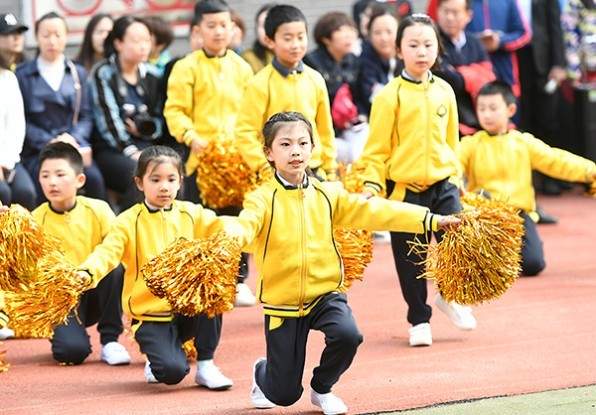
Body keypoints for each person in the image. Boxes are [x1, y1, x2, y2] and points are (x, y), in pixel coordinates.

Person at [229, 112, 460, 414]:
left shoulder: (328, 194)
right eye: (285, 144)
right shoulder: (261, 199)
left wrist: (431, 220)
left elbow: (376, 211)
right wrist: (228, 238)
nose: (295, 151)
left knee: (348, 335)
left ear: (313, 148)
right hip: (281, 302)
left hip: (326, 293)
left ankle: (322, 387)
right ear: (269, 153)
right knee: (283, 395)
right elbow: (244, 226)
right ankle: (264, 372)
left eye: (302, 143)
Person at [358, 14, 477, 348]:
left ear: (437, 49)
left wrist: (457, 176)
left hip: (444, 184)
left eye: (428, 44)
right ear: (399, 50)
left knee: (458, 244)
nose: (421, 51)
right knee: (411, 259)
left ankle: (451, 296)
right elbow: (376, 149)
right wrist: (370, 185)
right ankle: (419, 318)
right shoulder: (388, 96)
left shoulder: (445, 91)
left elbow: (451, 141)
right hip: (405, 190)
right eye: (413, 44)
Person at [77, 145, 233, 388]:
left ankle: (206, 364)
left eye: (171, 179)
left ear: (180, 181)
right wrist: (86, 272)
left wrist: (262, 229)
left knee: (211, 285)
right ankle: (157, 354)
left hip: (185, 308)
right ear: (140, 183)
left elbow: (226, 227)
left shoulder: (191, 213)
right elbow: (107, 252)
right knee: (172, 372)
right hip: (150, 315)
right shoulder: (128, 221)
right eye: (155, 179)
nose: (164, 187)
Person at [164, 0, 255, 307]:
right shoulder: (186, 67)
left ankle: (239, 280)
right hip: (199, 160)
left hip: (236, 161)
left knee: (237, 220)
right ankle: (203, 281)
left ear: (233, 28)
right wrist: (191, 136)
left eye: (224, 25)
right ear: (197, 30)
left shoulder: (242, 68)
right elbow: (174, 111)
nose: (218, 32)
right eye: (211, 26)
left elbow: (251, 113)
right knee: (202, 221)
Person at [458, 81, 596, 276]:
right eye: (481, 109)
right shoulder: (470, 144)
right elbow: (452, 166)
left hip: (518, 214)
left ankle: (505, 252)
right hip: (483, 215)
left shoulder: (523, 142)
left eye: (493, 108)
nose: (486, 114)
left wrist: (590, 170)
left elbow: (555, 160)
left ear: (511, 109)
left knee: (533, 264)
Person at [32, 142, 130, 365]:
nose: (52, 182)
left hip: (95, 289)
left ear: (80, 180)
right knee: (71, 353)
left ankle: (110, 341)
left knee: (115, 268)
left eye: (60, 174)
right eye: (45, 175)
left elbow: (115, 249)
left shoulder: (99, 210)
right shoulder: (35, 220)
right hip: (62, 299)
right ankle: (66, 333)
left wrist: (87, 272)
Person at [235, 4, 338, 182]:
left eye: (300, 37)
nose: (295, 45)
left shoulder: (315, 79)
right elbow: (244, 132)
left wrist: (330, 169)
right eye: (288, 38)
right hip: (275, 174)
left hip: (314, 170)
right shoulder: (259, 83)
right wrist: (264, 166)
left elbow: (325, 129)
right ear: (269, 41)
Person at [16, 12, 106, 206]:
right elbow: (21, 120)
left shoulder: (77, 73)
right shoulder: (23, 75)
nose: (52, 41)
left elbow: (86, 115)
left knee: (95, 180)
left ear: (66, 37)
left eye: (57, 35)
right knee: (40, 187)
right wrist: (50, 142)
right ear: (37, 38)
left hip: (72, 148)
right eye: (46, 35)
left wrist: (71, 138)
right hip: (37, 150)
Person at [89, 16, 164, 211]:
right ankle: (126, 231)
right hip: (112, 149)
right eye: (136, 40)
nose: (143, 46)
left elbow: (160, 118)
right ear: (118, 43)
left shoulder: (154, 75)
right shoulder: (104, 73)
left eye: (147, 40)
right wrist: (130, 150)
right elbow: (108, 121)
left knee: (170, 172)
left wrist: (146, 130)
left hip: (146, 145)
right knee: (140, 176)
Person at [304, 12, 365, 164]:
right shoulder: (311, 62)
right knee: (349, 154)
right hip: (322, 132)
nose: (349, 35)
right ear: (326, 38)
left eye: (351, 30)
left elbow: (360, 97)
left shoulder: (353, 60)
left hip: (348, 128)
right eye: (341, 30)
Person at [434, 0, 496, 135]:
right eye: (446, 11)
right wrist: (474, 72)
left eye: (455, 12)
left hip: (478, 118)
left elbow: (489, 77)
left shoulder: (474, 42)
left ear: (468, 15)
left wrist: (460, 73)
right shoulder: (431, 42)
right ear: (438, 12)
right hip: (445, 118)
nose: (449, 17)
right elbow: (450, 81)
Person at [465, 0, 531, 98]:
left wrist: (500, 41)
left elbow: (524, 33)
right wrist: (477, 41)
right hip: (472, 71)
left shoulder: (509, 2)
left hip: (504, 72)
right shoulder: (463, 2)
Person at [0, 46, 36, 210]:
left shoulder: (7, 77)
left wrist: (4, 162)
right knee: (2, 192)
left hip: (8, 160)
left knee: (25, 192)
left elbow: (16, 126)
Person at [355, 4, 400, 116]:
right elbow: (371, 98)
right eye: (377, 33)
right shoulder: (363, 61)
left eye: (389, 32)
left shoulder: (408, 57)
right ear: (369, 34)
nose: (383, 38)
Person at [241, 3, 276, 73]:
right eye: (262, 25)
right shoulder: (248, 58)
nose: (266, 31)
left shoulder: (295, 55)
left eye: (270, 25)